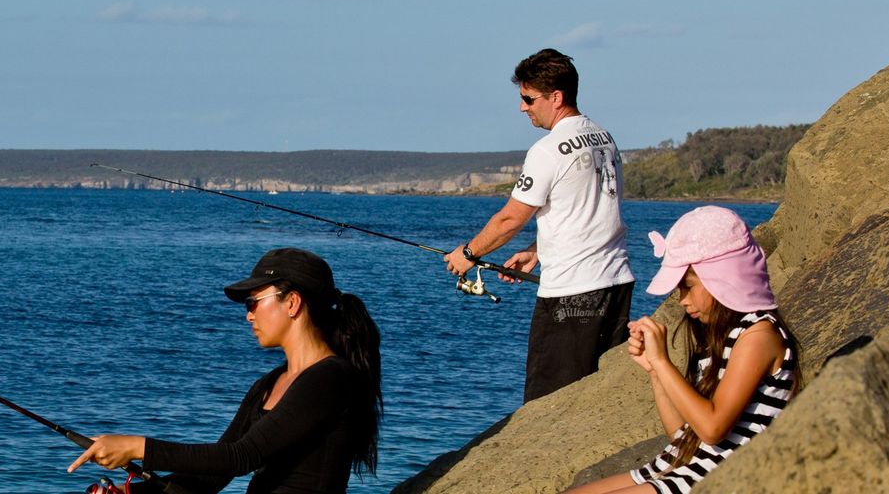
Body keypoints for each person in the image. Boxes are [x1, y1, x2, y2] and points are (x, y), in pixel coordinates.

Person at [66, 247, 383, 493]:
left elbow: (242, 456)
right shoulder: (268, 384)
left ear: (292, 303)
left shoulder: (331, 379)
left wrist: (137, 447)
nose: (248, 316)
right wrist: (133, 493)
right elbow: (214, 474)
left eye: (253, 303)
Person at [444, 48, 636, 402]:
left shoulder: (547, 150)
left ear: (556, 97)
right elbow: (592, 211)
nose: (523, 107)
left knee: (548, 405)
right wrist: (537, 251)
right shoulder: (604, 138)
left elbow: (509, 219)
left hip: (571, 293)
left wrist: (468, 253)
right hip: (617, 283)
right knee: (599, 398)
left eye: (528, 98)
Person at [566, 206, 800, 494]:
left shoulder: (759, 336)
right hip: (689, 464)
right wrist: (654, 371)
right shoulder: (723, 336)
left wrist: (664, 362)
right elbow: (683, 435)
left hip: (724, 478)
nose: (682, 300)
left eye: (688, 286)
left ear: (724, 280)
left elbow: (713, 428)